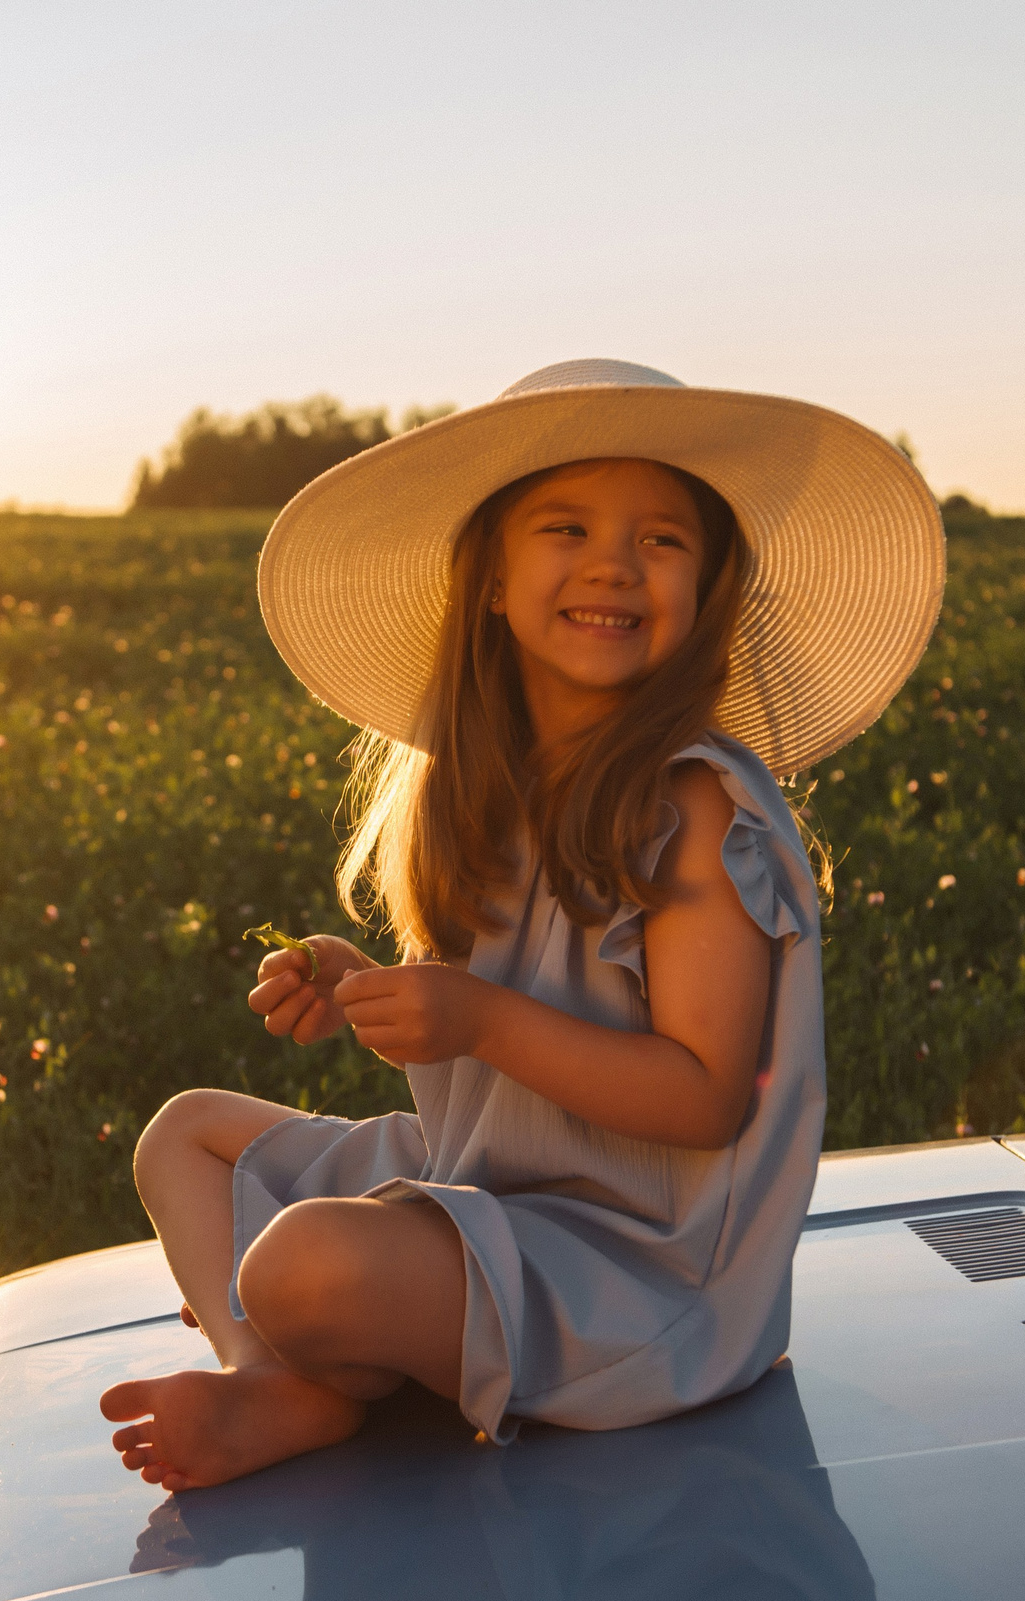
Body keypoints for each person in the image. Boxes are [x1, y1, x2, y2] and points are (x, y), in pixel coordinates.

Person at [100, 358, 943, 1490]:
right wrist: (369, 989)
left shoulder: (695, 806)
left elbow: (703, 1096)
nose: (614, 562)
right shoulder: (485, 793)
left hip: (635, 1272)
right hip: (491, 1184)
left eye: (662, 538)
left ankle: (318, 1355)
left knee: (303, 1262)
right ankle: (277, 1376)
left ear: (706, 588)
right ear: (491, 579)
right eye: (566, 526)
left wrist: (478, 1019)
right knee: (186, 1133)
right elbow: (489, 1030)